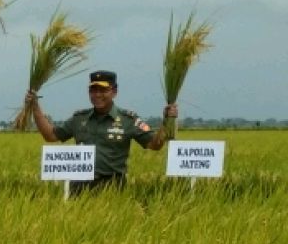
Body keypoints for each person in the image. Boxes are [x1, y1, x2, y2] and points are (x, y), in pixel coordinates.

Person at [27, 70, 177, 193]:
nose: (97, 95)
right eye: (93, 90)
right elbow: (50, 135)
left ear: (114, 92)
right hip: (79, 188)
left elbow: (155, 144)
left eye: (103, 90)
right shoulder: (79, 119)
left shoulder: (128, 119)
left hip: (113, 187)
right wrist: (35, 106)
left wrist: (167, 121)